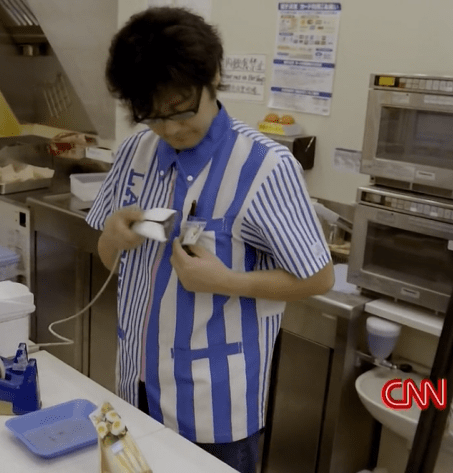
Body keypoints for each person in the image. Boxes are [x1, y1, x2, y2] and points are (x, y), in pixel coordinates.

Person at [86, 7, 334, 473]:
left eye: (182, 109)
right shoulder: (136, 153)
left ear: (213, 78)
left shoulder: (264, 166)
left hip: (214, 412)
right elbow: (108, 260)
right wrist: (113, 237)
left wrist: (226, 281)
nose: (171, 129)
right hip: (132, 389)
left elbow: (318, 278)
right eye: (153, 116)